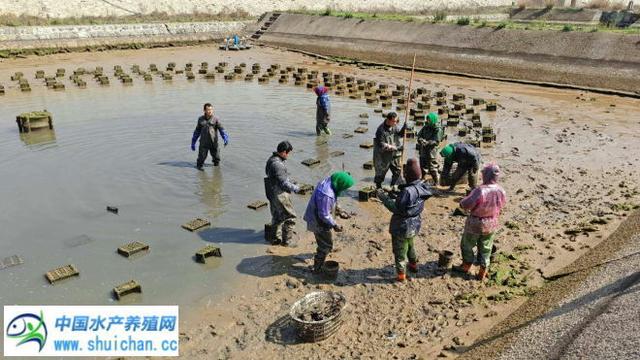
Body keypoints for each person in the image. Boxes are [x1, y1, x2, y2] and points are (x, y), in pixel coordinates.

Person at [377, 158, 433, 282]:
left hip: (402, 226)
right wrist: (394, 192)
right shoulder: (423, 186)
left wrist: (383, 197)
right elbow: (409, 197)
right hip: (415, 223)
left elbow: (396, 208)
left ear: (407, 175)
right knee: (411, 245)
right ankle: (413, 265)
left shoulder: (407, 192)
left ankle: (401, 275)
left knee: (400, 251)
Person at [457, 163, 507, 280]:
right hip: (492, 222)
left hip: (476, 222)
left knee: (467, 244)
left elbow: (466, 204)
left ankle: (466, 265)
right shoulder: (501, 190)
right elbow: (502, 205)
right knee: (486, 247)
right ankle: (483, 271)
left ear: (486, 175)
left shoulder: (480, 190)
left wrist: (462, 202)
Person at [303, 171, 355, 272]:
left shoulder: (330, 181)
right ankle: (317, 268)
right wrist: (335, 224)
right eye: (344, 188)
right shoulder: (326, 194)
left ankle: (322, 255)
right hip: (318, 221)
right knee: (325, 245)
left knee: (324, 241)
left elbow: (333, 201)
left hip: (317, 215)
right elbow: (324, 214)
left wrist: (340, 211)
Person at [264, 141, 300, 246]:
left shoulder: (271, 160)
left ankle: (275, 239)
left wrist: (290, 183)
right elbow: (283, 183)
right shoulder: (278, 164)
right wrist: (296, 188)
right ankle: (287, 242)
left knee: (277, 217)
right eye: (288, 153)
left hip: (271, 191)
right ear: (284, 152)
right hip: (279, 194)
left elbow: (277, 178)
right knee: (290, 217)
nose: (288, 155)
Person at [191, 103, 229, 170]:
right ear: (204, 110)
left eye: (211, 109)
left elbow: (222, 130)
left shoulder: (216, 119)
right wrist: (193, 142)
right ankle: (200, 170)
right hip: (203, 143)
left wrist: (225, 138)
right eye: (208, 110)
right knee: (201, 159)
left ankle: (216, 172)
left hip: (213, 143)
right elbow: (197, 132)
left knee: (217, 159)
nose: (210, 111)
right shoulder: (200, 119)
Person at [373, 112, 405, 189]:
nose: (395, 123)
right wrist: (397, 148)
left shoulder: (394, 126)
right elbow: (382, 145)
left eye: (396, 121)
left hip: (394, 155)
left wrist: (403, 129)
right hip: (383, 155)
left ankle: (393, 186)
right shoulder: (380, 130)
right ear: (388, 120)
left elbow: (399, 135)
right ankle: (378, 187)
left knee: (397, 170)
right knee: (380, 173)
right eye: (394, 121)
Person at [417, 112, 445, 185]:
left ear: (433, 120)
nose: (428, 121)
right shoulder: (425, 127)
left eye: (429, 119)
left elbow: (436, 141)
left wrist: (427, 142)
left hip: (432, 150)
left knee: (432, 167)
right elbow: (419, 135)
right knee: (422, 164)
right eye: (427, 119)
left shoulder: (438, 129)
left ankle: (436, 182)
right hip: (423, 149)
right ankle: (423, 178)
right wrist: (420, 140)